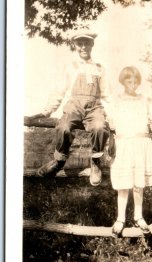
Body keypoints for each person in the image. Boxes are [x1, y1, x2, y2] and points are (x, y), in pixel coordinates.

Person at [29, 29, 110, 186]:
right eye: (80, 43)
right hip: (74, 105)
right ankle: (59, 161)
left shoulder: (100, 68)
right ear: (75, 45)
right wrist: (47, 110)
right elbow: (59, 91)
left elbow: (107, 94)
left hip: (94, 107)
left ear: (92, 45)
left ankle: (95, 162)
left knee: (100, 127)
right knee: (64, 126)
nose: (83, 47)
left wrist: (112, 114)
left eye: (86, 43)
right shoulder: (70, 67)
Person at [109, 66, 152, 237]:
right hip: (124, 143)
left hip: (140, 142)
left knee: (138, 183)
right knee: (124, 183)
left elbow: (151, 118)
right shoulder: (116, 99)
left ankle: (138, 216)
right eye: (129, 80)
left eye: (135, 81)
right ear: (123, 81)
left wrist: (151, 138)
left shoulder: (143, 99)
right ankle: (120, 218)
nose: (132, 84)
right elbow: (112, 120)